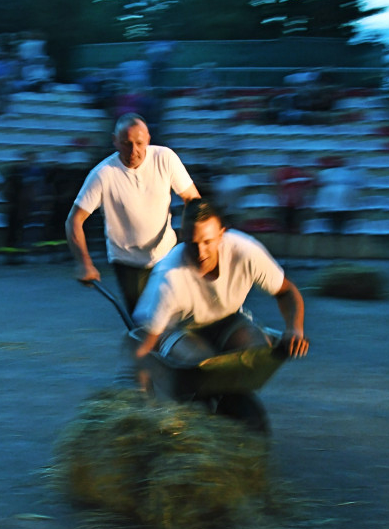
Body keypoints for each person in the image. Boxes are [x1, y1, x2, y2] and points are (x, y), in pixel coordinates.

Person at [133, 199, 309, 369]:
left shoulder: (246, 252)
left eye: (207, 242)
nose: (201, 253)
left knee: (259, 352)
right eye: (193, 244)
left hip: (225, 319)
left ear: (221, 234)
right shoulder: (170, 276)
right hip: (173, 327)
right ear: (183, 238)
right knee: (203, 365)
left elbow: (287, 292)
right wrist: (139, 380)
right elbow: (149, 342)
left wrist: (295, 329)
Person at [66, 113, 201, 312]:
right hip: (127, 261)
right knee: (142, 321)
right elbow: (74, 221)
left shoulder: (165, 158)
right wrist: (84, 263)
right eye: (126, 143)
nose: (133, 151)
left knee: (176, 312)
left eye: (139, 143)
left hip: (166, 253)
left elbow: (193, 200)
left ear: (148, 138)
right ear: (115, 141)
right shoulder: (103, 174)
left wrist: (193, 241)